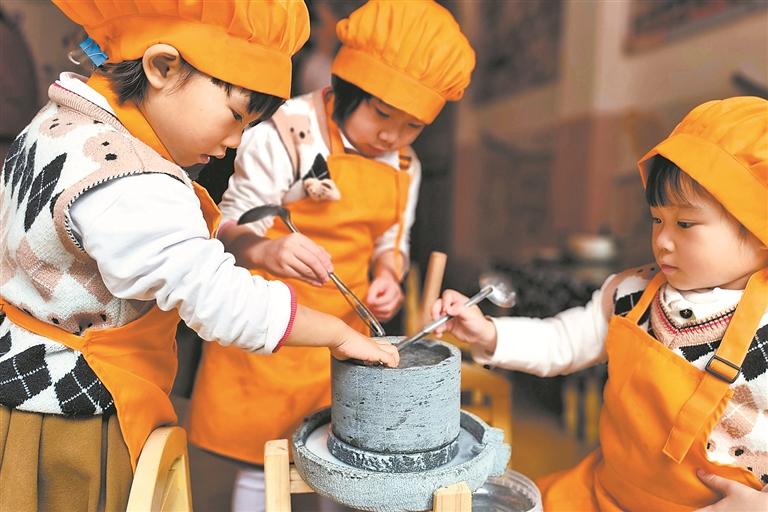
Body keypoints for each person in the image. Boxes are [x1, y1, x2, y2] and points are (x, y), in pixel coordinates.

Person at [0, 1, 399, 509]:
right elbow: (217, 297)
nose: (235, 142)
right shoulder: (131, 179)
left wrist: (256, 248)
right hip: (71, 418)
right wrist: (338, 334)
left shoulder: (58, 125)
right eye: (235, 116)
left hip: (20, 383)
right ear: (163, 67)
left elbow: (143, 247)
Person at [186, 1, 475, 509]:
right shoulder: (285, 131)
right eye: (381, 113)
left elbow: (392, 240)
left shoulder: (405, 165)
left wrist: (389, 275)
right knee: (263, 463)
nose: (391, 135)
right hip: (270, 332)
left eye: (412, 126)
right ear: (345, 85)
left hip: (345, 337)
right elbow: (227, 228)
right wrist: (267, 250)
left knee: (345, 464)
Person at [432, 97, 768, 510]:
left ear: (758, 229)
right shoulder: (631, 292)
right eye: (657, 219)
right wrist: (489, 332)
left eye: (685, 223)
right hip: (601, 495)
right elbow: (562, 341)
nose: (663, 240)